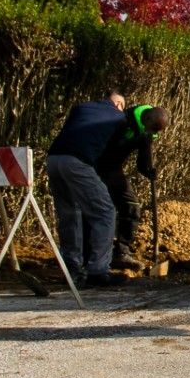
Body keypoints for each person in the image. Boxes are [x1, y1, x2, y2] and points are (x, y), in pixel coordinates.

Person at [45, 94, 135, 287]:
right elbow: (110, 152)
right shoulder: (118, 117)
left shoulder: (81, 108)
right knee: (105, 212)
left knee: (69, 212)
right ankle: (99, 271)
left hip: (53, 159)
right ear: (119, 104)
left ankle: (70, 267)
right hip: (78, 162)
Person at [96, 102, 170, 268]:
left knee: (131, 205)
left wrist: (148, 171)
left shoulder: (146, 133)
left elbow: (142, 162)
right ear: (148, 118)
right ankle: (89, 254)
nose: (154, 133)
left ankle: (122, 251)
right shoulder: (122, 120)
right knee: (99, 209)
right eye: (153, 129)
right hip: (95, 167)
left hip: (113, 169)